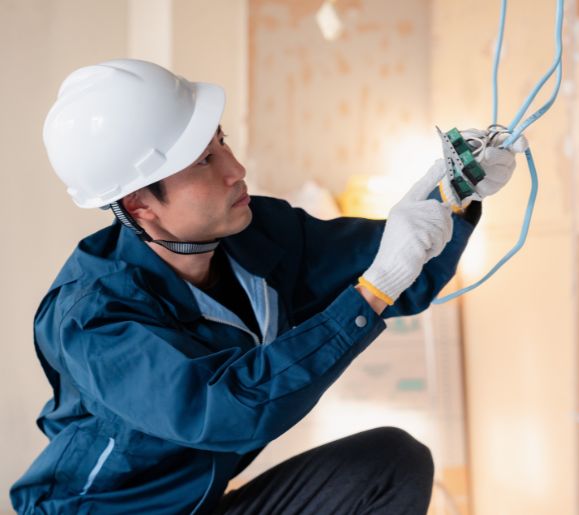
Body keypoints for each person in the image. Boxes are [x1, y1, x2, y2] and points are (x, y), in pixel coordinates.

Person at [10, 59, 516, 514]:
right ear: (140, 205)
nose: (235, 170)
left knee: (390, 464)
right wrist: (373, 291)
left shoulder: (257, 235)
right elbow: (224, 410)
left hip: (202, 505)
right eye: (203, 161)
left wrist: (454, 195)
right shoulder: (94, 318)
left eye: (221, 142)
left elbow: (394, 267)